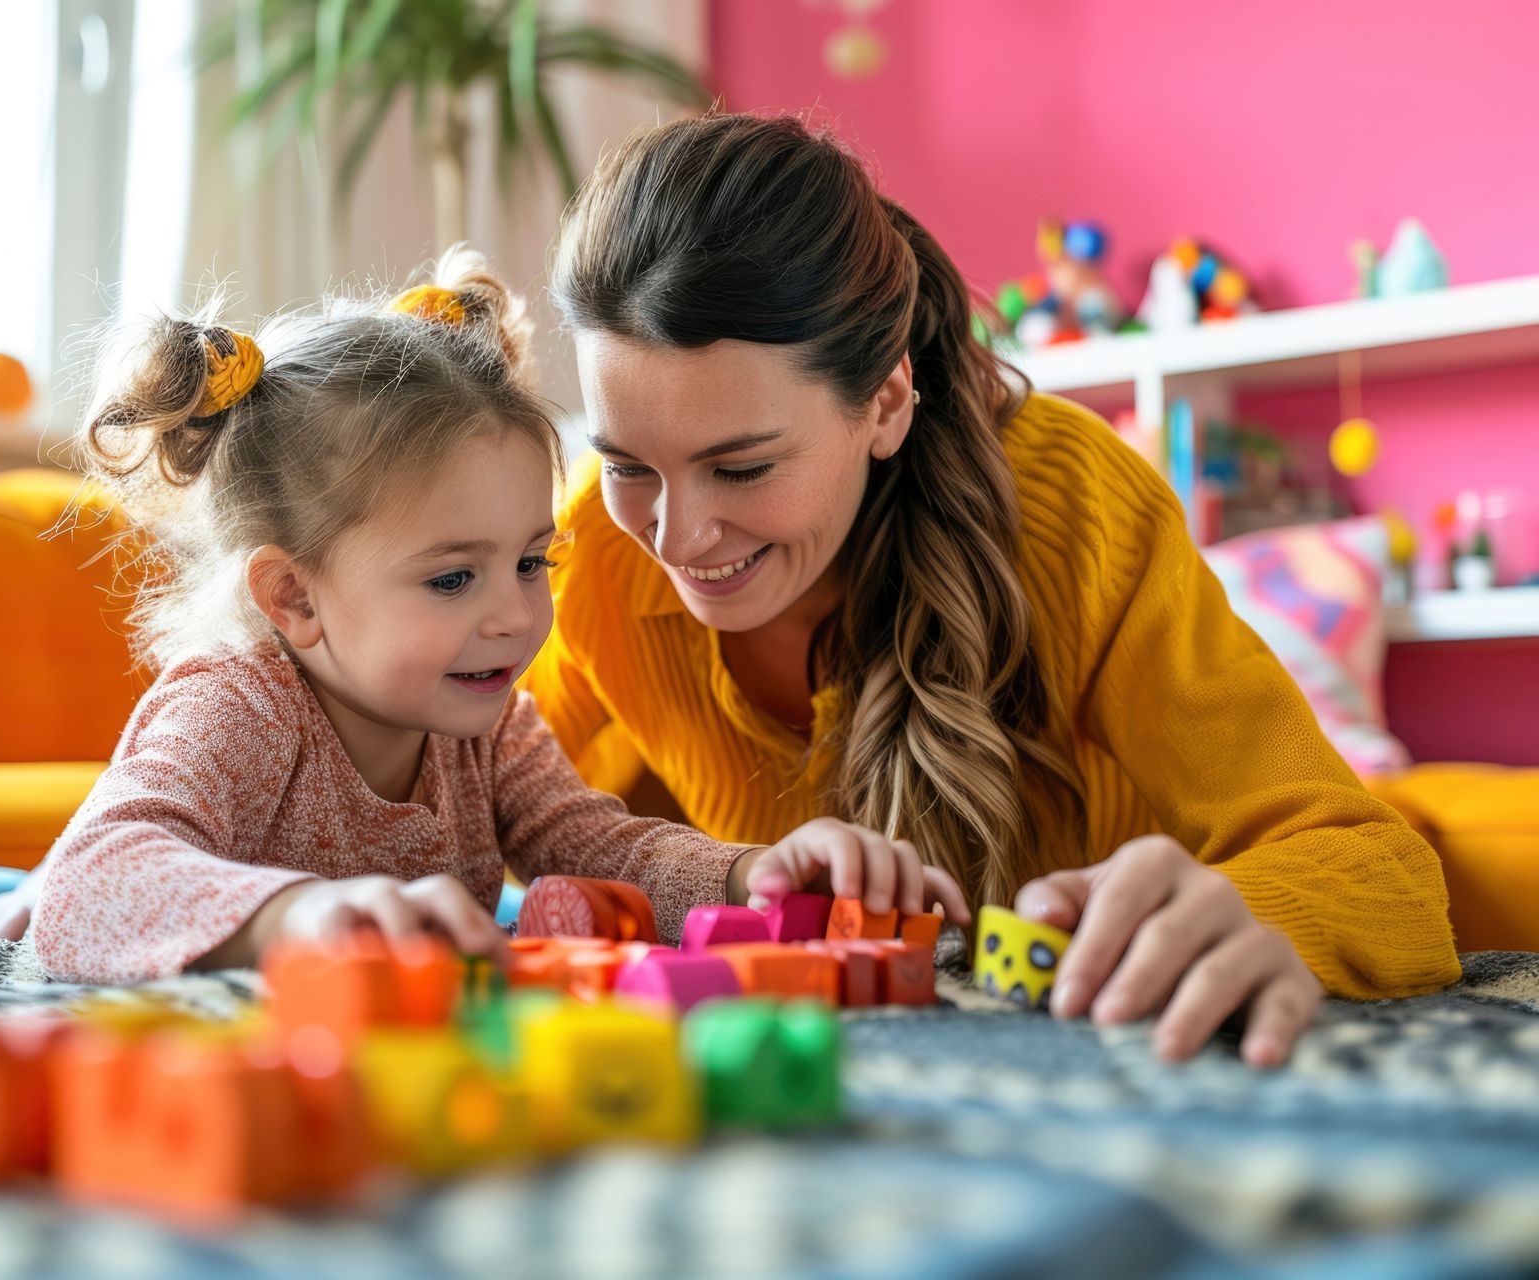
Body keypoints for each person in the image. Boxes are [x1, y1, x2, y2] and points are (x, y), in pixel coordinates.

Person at [523, 112, 1460, 1067]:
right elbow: (480, 799)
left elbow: (1388, 878)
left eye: (745, 469)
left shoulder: (1082, 509)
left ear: (884, 404)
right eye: (627, 464)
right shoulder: (594, 549)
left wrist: (1250, 908)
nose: (675, 539)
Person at [23, 248, 969, 986]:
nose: (516, 616)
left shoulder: (487, 726)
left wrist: (755, 874)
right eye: (450, 581)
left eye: (529, 562)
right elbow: (91, 877)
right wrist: (295, 919)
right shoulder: (243, 704)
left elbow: (605, 846)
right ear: (293, 599)